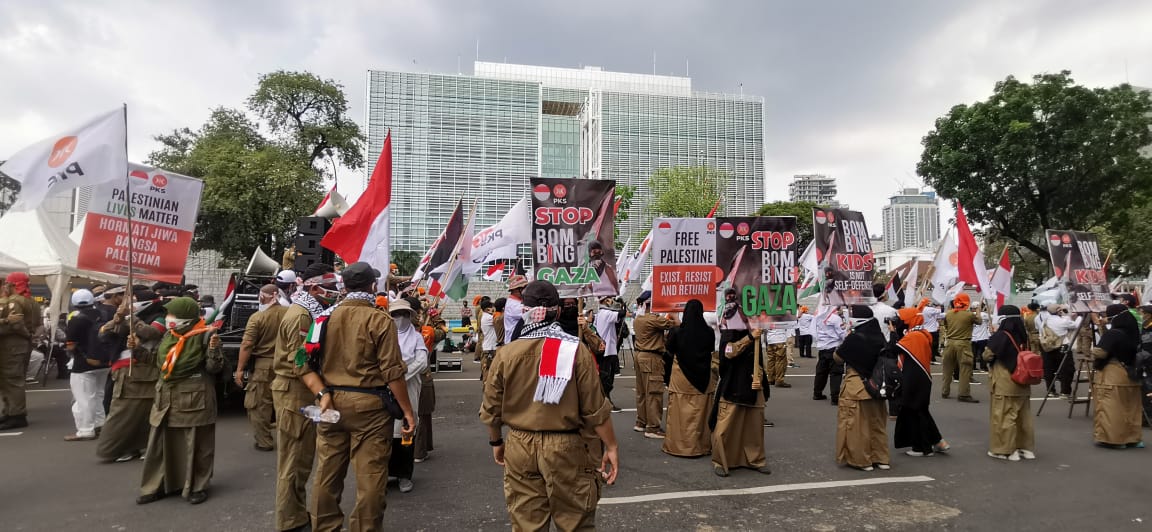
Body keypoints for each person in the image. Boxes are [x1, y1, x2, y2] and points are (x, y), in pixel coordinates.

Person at [479, 280, 618, 530]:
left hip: (519, 444)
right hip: (567, 446)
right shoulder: (575, 350)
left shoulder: (506, 354)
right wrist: (611, 445)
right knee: (575, 521)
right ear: (557, 310)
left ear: (525, 310)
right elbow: (595, 409)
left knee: (527, 523)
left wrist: (496, 442)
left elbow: (491, 409)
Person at [299, 262, 416, 531]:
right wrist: (407, 411)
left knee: (326, 474)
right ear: (373, 287)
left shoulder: (323, 318)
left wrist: (322, 393)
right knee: (371, 477)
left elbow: (301, 363)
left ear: (344, 286)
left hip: (330, 404)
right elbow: (392, 373)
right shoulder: (379, 319)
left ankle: (324, 527)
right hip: (370, 408)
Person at [136, 297, 225, 505]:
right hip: (165, 401)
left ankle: (197, 487)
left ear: (186, 316)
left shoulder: (206, 335)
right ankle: (156, 486)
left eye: (172, 314)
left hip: (194, 401)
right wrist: (137, 350)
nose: (168, 318)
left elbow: (215, 369)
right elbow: (158, 363)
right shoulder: (169, 336)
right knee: (159, 447)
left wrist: (214, 350)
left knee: (197, 446)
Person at [273, 263, 337, 532]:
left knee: (300, 459)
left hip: (298, 389)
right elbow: (299, 359)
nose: (334, 293)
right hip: (296, 391)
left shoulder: (310, 311)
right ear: (313, 287)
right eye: (330, 288)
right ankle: (291, 521)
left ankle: (295, 515)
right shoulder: (301, 316)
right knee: (295, 461)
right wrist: (321, 391)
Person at [97, 288, 165, 462]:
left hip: (143, 370)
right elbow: (103, 334)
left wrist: (130, 318)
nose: (130, 304)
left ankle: (142, 447)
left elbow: (151, 333)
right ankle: (125, 448)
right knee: (120, 412)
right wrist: (118, 319)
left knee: (140, 415)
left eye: (133, 300)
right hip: (121, 370)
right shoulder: (125, 317)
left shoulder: (158, 316)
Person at [834, 306, 890, 472]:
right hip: (878, 386)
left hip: (857, 386)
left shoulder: (855, 338)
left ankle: (862, 460)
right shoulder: (879, 335)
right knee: (877, 424)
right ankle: (881, 458)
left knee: (857, 426)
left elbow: (837, 357)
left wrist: (846, 338)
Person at [711, 325, 771, 477]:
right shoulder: (730, 330)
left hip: (752, 385)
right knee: (725, 426)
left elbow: (758, 360)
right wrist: (749, 338)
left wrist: (760, 376)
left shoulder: (755, 328)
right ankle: (721, 460)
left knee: (754, 427)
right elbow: (728, 352)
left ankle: (755, 459)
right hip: (733, 384)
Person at [235, 284, 287, 451]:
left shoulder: (258, 317)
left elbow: (247, 344)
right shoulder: (290, 314)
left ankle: (264, 441)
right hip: (285, 364)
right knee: (284, 403)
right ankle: (289, 441)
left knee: (258, 405)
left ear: (264, 296)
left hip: (263, 366)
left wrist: (240, 369)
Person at [893, 302, 949, 457]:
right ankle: (937, 441)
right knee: (920, 410)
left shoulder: (914, 336)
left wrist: (892, 333)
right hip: (920, 377)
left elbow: (893, 349)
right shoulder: (921, 333)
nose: (898, 323)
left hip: (915, 378)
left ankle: (922, 447)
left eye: (901, 320)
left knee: (914, 410)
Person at [663, 299, 717, 458]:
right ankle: (700, 446)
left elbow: (669, 349)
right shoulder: (708, 332)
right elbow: (711, 350)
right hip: (703, 378)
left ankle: (678, 446)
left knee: (679, 414)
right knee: (700, 414)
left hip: (681, 379)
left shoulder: (677, 332)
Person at [982, 305, 1036, 461]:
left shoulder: (1001, 335)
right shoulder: (1023, 335)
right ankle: (1025, 448)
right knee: (1023, 417)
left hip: (1005, 380)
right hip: (1023, 380)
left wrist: (992, 340)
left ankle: (1004, 450)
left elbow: (987, 355)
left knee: (1004, 415)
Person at [387, 298, 429, 494]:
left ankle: (404, 475)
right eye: (396, 314)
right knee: (385, 432)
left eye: (404, 314)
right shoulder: (384, 335)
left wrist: (401, 375)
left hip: (409, 386)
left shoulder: (417, 337)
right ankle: (385, 474)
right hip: (385, 388)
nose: (400, 319)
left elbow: (421, 361)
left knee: (405, 430)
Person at [1091, 304, 1144, 449]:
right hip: (1131, 374)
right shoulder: (1134, 332)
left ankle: (1115, 439)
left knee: (1112, 408)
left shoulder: (1113, 333)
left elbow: (1101, 352)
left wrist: (1092, 351)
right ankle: (1133, 438)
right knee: (1131, 408)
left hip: (1113, 374)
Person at [64, 289, 113, 441]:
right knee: (99, 394)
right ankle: (100, 424)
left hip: (83, 364)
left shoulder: (76, 319)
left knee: (83, 398)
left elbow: (71, 346)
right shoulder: (105, 314)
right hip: (105, 362)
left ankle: (85, 430)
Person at [632, 292, 676, 438]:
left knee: (642, 392)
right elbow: (676, 324)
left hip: (640, 355)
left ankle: (641, 422)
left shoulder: (639, 319)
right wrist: (672, 311)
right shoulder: (653, 319)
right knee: (654, 392)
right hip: (651, 357)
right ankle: (653, 427)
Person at [0, 272, 41, 430]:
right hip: (21, 345)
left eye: (7, 284)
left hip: (11, 345)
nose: (5, 287)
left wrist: (24, 334)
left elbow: (15, 324)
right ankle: (11, 412)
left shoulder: (14, 300)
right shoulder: (31, 301)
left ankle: (15, 414)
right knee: (13, 380)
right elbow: (37, 323)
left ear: (12, 285)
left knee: (11, 381)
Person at [940, 293, 981, 403]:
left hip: (950, 342)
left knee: (947, 369)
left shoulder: (949, 314)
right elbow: (979, 321)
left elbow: (946, 326)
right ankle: (964, 394)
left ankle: (945, 391)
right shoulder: (969, 315)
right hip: (963, 343)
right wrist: (978, 311)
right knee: (965, 369)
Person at [1037, 304, 1081, 399]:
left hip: (1047, 347)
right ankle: (1065, 392)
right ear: (1059, 311)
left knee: (1049, 369)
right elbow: (1076, 325)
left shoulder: (1044, 321)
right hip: (1062, 347)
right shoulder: (1062, 321)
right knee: (1067, 369)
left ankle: (1051, 390)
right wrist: (1080, 316)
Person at [593, 296, 626, 408]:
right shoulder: (606, 313)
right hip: (607, 351)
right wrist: (619, 305)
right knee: (607, 378)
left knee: (605, 377)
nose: (612, 301)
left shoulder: (600, 313)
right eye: (610, 299)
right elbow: (621, 313)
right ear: (606, 301)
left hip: (605, 350)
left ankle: (603, 401)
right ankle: (606, 402)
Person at [812, 307, 847, 404]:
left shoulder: (817, 315)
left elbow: (813, 332)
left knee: (821, 372)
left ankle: (817, 393)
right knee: (835, 373)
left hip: (822, 347)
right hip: (834, 347)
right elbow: (842, 334)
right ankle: (835, 397)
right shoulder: (836, 318)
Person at [763, 322, 792, 388]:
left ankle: (770, 378)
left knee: (771, 360)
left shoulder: (768, 313)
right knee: (781, 361)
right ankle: (779, 380)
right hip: (779, 338)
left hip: (770, 338)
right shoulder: (781, 314)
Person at [504, 275, 527, 344]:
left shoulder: (517, 302)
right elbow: (531, 313)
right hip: (513, 343)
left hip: (516, 342)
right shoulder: (513, 305)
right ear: (516, 290)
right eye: (524, 288)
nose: (526, 290)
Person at [479, 299, 497, 382]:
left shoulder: (486, 316)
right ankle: (486, 386)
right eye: (492, 307)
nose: (494, 308)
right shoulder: (488, 318)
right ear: (487, 309)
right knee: (488, 369)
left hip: (489, 346)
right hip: (490, 347)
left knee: (489, 368)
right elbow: (500, 319)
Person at [971, 303, 991, 372]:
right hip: (982, 338)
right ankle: (983, 367)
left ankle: (972, 366)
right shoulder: (984, 315)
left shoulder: (970, 315)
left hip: (973, 338)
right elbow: (991, 318)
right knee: (982, 353)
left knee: (973, 353)